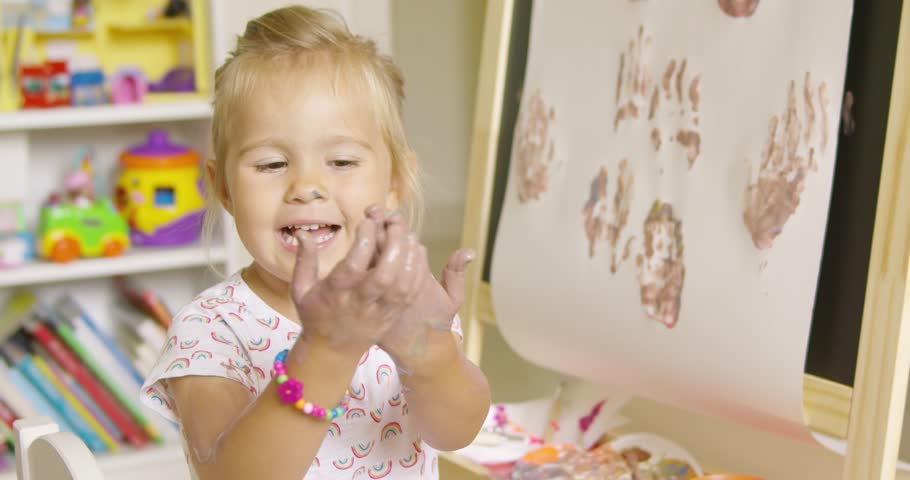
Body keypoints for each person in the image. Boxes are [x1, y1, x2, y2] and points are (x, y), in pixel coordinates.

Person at [139, 5, 491, 479]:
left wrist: (432, 356)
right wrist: (324, 355)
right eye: (271, 164)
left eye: (341, 162)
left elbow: (457, 432)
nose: (306, 187)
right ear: (223, 188)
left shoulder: (405, 301)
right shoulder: (211, 328)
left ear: (395, 181)